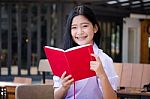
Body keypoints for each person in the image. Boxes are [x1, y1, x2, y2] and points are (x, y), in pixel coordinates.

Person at [53, 5, 119, 99]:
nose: (79, 32)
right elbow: (56, 97)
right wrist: (63, 87)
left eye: (84, 26)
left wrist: (102, 75)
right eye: (74, 27)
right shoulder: (64, 59)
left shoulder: (105, 59)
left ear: (95, 28)